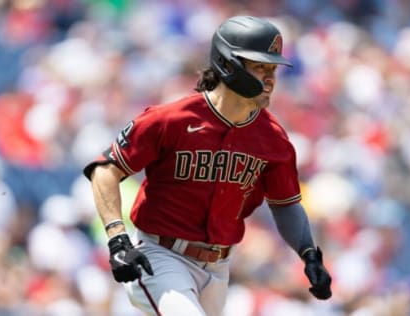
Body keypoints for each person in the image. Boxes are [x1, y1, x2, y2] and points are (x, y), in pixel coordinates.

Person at [84, 15, 332, 316]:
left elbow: (285, 204)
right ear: (228, 65)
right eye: (259, 66)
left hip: (219, 267)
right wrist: (117, 238)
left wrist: (309, 254)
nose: (270, 78)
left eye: (273, 69)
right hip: (161, 256)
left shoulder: (273, 138)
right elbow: (105, 171)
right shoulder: (170, 119)